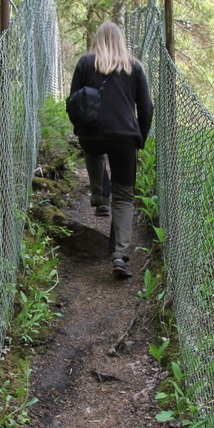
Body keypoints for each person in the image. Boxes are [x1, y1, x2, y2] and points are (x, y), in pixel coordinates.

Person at [69, 21, 153, 278]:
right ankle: (120, 256)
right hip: (124, 137)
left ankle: (100, 198)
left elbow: (73, 100)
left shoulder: (85, 63)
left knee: (93, 151)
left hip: (91, 133)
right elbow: (146, 107)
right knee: (125, 197)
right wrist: (141, 137)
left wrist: (80, 128)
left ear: (98, 39)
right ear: (120, 40)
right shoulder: (133, 66)